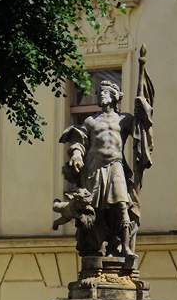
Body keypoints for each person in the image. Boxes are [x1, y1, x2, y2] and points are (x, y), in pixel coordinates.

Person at [57, 50, 154, 258]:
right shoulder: (91, 121)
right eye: (99, 93)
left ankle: (125, 247)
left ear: (114, 97)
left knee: (122, 205)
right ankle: (97, 247)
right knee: (95, 211)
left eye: (105, 92)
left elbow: (141, 129)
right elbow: (79, 140)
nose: (101, 95)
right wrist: (75, 153)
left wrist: (142, 109)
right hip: (94, 167)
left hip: (116, 165)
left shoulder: (124, 119)